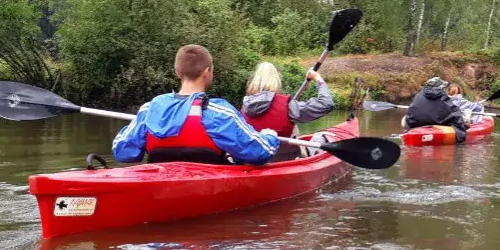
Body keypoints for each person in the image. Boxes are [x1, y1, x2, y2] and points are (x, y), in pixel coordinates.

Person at [111, 44, 280, 165]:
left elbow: (122, 151)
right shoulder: (219, 112)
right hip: (209, 188)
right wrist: (269, 136)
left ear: (177, 73)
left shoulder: (150, 110)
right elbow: (259, 152)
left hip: (163, 186)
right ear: (208, 72)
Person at [241, 62, 335, 161]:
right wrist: (318, 78)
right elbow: (326, 104)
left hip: (255, 161)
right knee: (321, 137)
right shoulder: (287, 106)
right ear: (277, 81)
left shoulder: (245, 106)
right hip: (286, 160)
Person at [402, 77, 468, 143]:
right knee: (458, 119)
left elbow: (411, 112)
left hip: (417, 125)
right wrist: (462, 128)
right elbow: (455, 112)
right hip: (436, 124)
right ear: (440, 87)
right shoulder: (444, 97)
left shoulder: (418, 96)